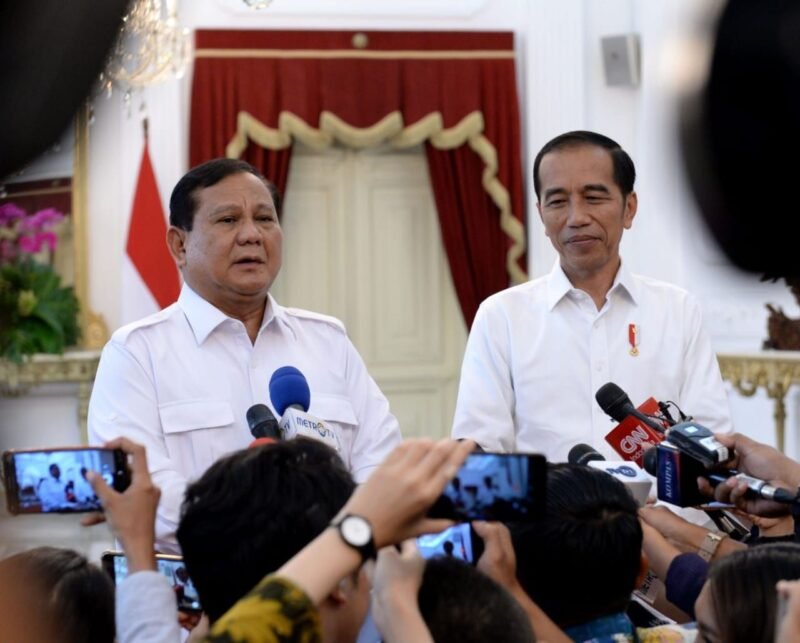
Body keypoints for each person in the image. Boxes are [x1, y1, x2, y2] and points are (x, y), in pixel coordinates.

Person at [88, 157, 402, 551]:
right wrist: (273, 532)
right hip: (199, 600)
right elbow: (148, 497)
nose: (252, 235)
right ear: (179, 244)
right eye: (228, 220)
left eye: (265, 219)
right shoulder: (136, 353)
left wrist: (330, 547)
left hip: (335, 587)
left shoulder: (328, 342)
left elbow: (381, 464)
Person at [451, 130, 732, 461]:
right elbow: (480, 449)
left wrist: (664, 512)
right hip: (550, 512)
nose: (577, 218)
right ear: (541, 215)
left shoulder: (678, 311)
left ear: (629, 208)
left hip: (664, 512)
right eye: (557, 202)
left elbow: (711, 439)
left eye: (594, 198)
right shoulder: (502, 317)